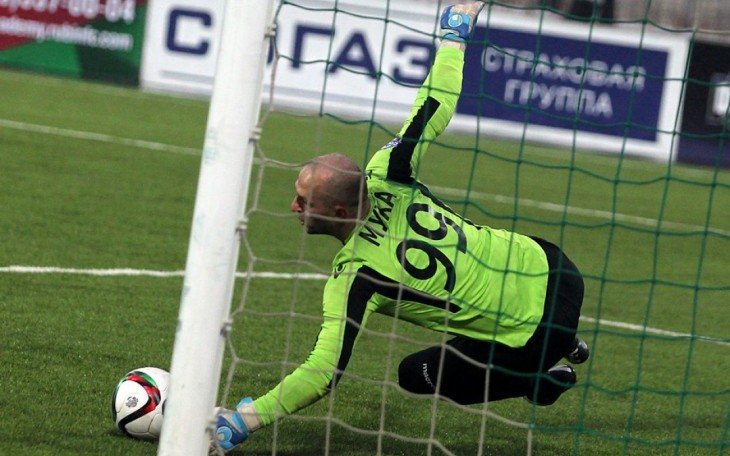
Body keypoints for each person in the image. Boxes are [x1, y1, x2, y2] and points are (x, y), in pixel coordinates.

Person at [211, 1, 588, 453]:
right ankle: (563, 344)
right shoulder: (389, 170)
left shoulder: (357, 276)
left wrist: (243, 421)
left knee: (416, 375)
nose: (292, 207)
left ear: (338, 212)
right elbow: (434, 104)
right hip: (554, 266)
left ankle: (538, 381)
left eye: (305, 202)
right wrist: (455, 34)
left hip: (535, 335)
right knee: (480, 301)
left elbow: (323, 373)